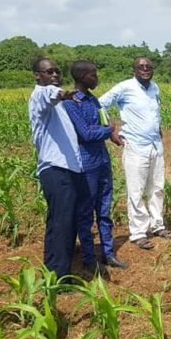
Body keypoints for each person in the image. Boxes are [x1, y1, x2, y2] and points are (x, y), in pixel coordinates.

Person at [62, 61, 129, 271]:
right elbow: (86, 134)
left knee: (104, 210)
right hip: (86, 165)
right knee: (86, 213)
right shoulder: (71, 103)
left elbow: (102, 123)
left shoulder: (93, 100)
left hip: (102, 161)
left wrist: (110, 132)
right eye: (93, 75)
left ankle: (108, 254)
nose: (96, 78)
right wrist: (107, 130)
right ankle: (90, 259)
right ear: (83, 77)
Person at [99, 57, 170, 251]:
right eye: (141, 67)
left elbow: (153, 113)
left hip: (155, 145)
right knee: (136, 191)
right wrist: (110, 130)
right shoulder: (125, 87)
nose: (145, 69)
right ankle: (138, 232)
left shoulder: (154, 87)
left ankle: (157, 225)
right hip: (135, 146)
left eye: (148, 67)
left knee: (157, 187)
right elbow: (100, 104)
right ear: (134, 70)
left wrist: (158, 130)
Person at [27, 58, 85, 279]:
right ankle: (57, 275)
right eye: (49, 71)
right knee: (60, 222)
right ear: (37, 75)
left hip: (68, 168)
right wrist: (62, 94)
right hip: (54, 168)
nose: (54, 74)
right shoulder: (41, 95)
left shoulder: (58, 106)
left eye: (56, 71)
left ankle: (62, 267)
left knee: (66, 219)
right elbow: (51, 93)